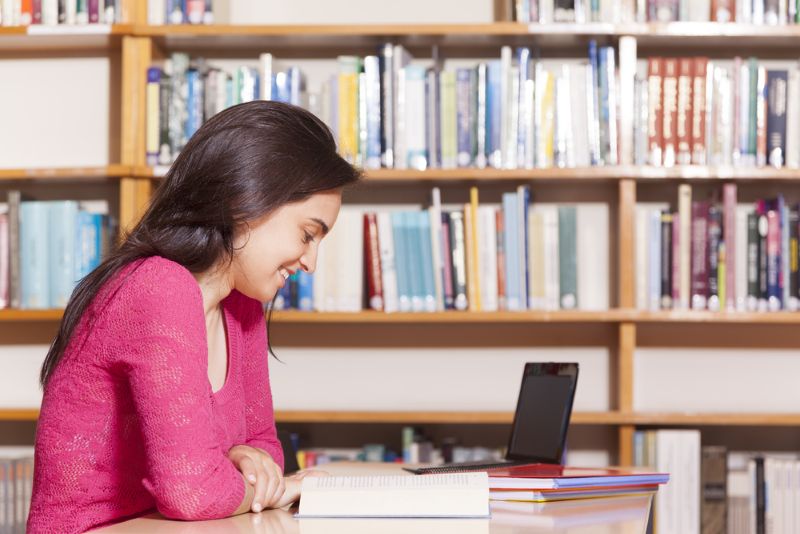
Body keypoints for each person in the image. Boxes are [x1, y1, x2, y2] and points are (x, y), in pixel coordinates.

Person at [27, 100, 361, 533]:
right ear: (247, 199)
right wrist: (276, 489)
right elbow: (193, 492)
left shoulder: (242, 305)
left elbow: (265, 450)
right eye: (307, 234)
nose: (311, 261)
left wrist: (240, 457)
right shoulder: (157, 287)